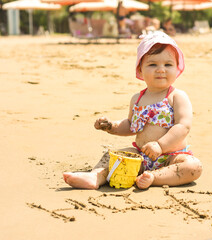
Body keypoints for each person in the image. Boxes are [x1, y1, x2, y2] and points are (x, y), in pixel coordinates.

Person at [63, 31, 202, 190]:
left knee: (193, 167)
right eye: (152, 64)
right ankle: (96, 176)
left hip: (171, 157)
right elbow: (130, 125)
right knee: (111, 155)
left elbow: (183, 126)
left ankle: (154, 178)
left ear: (177, 68)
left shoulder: (177, 96)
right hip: (141, 157)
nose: (161, 69)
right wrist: (111, 127)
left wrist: (160, 145)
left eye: (168, 64)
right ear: (140, 69)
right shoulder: (137, 99)